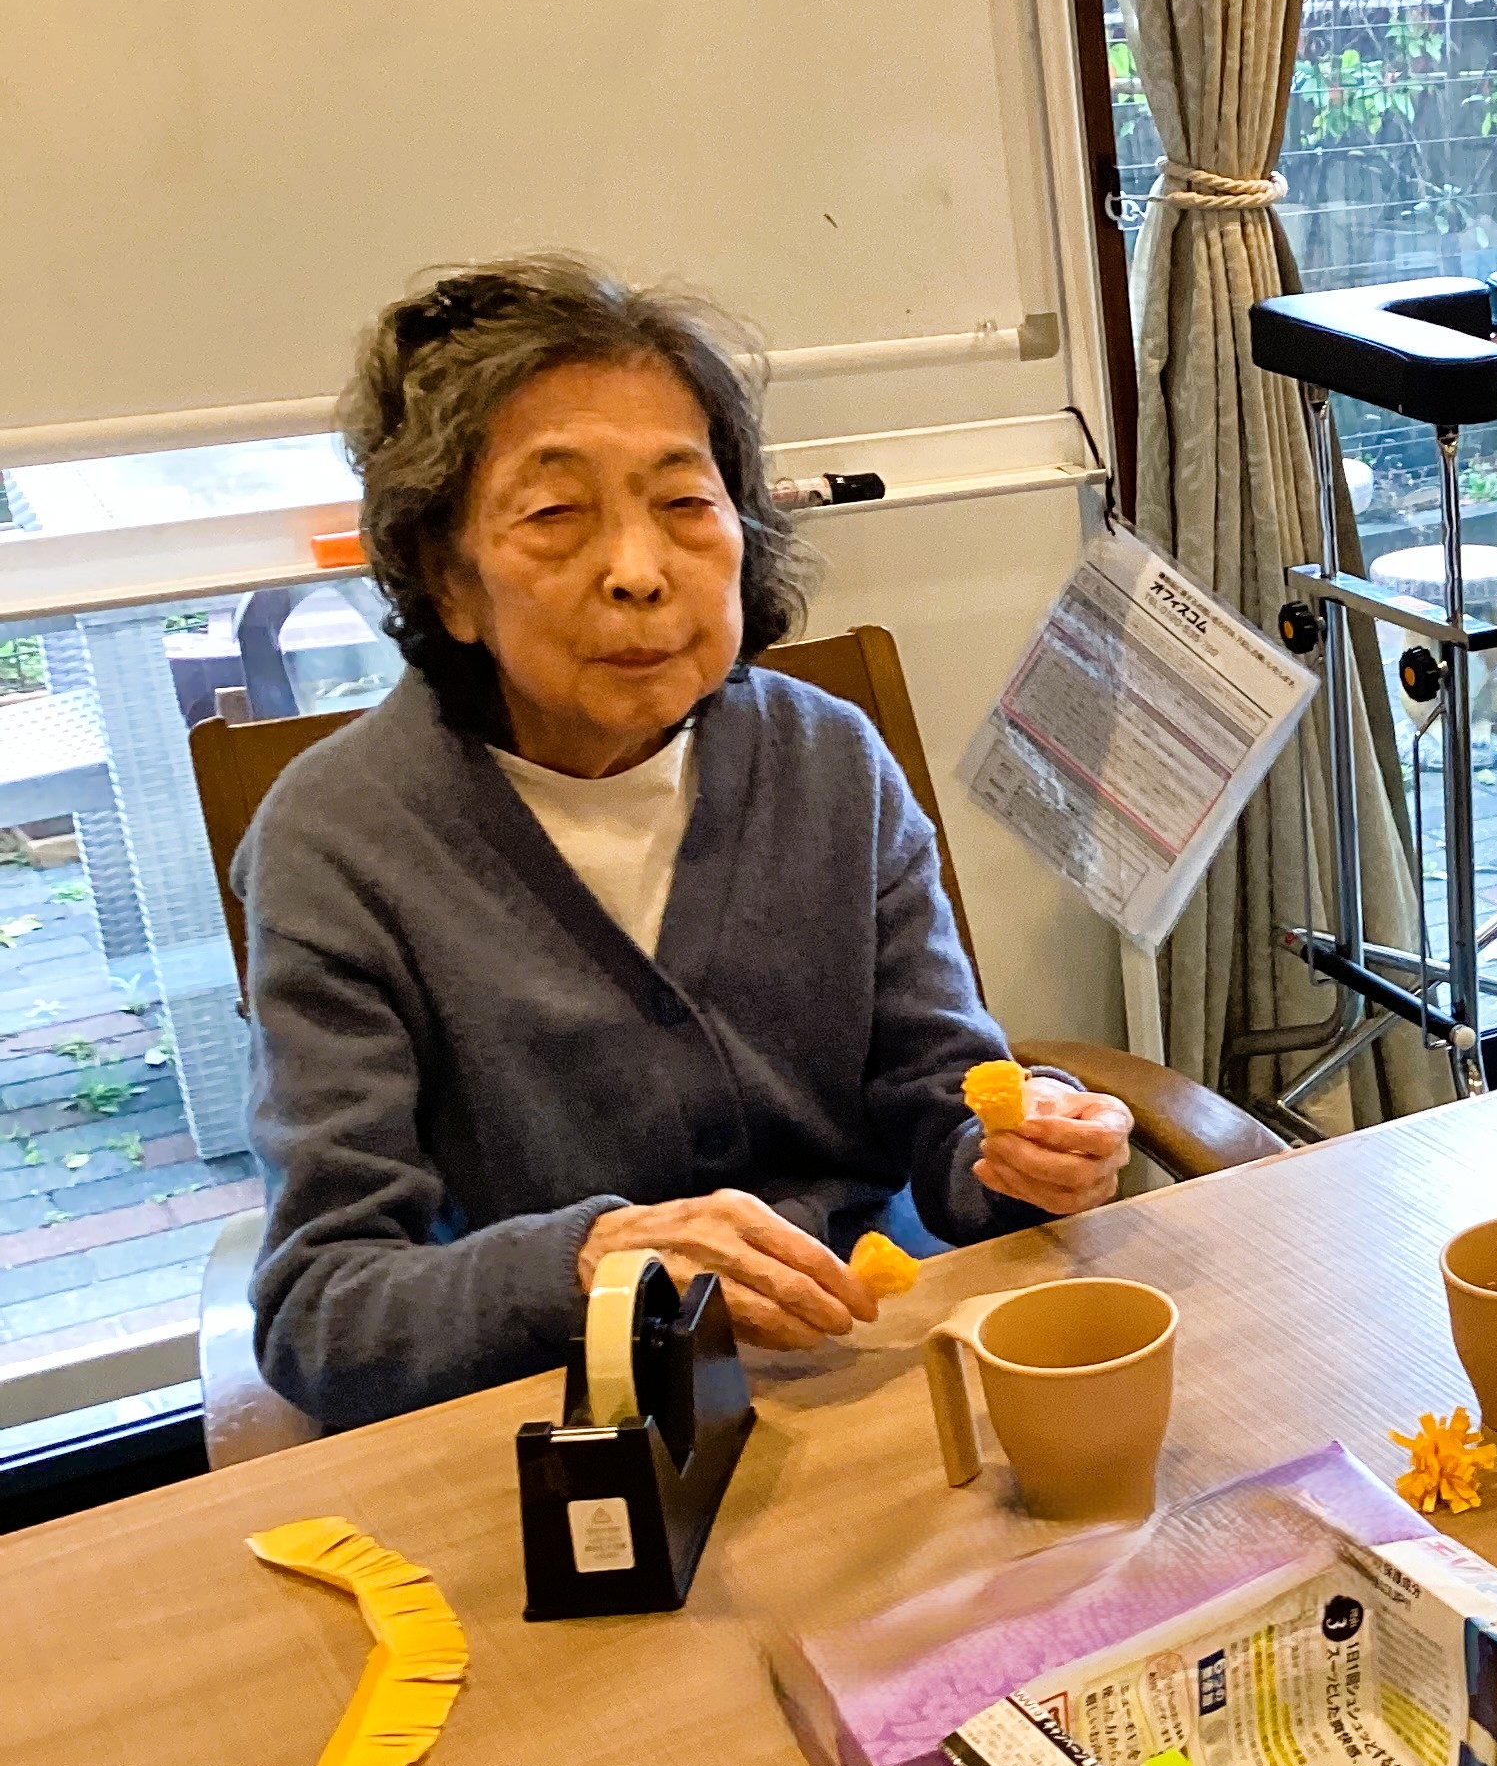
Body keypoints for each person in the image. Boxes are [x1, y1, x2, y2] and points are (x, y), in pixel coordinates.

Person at [238, 254, 1132, 1429]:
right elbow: (323, 1308)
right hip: (577, 1429)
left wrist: (1016, 1150)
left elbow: (938, 1100)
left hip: (863, 1371)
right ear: (447, 581)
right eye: (555, 516)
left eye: (684, 505)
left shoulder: (826, 759)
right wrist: (598, 1260)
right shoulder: (337, 842)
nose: (639, 573)